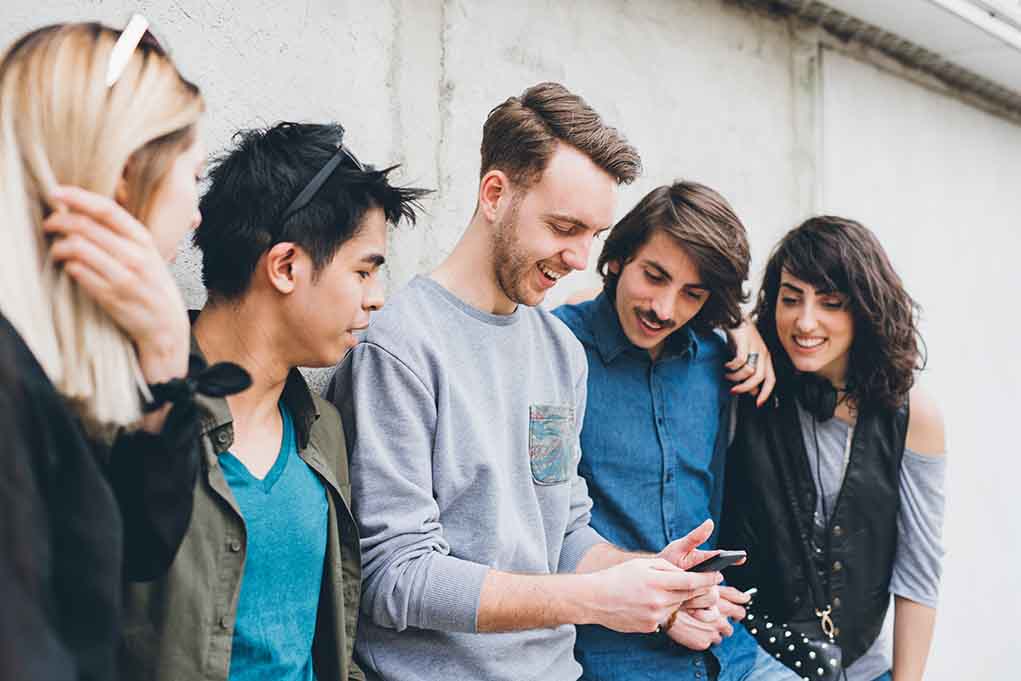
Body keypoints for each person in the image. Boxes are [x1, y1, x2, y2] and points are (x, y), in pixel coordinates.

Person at [327, 82, 725, 681]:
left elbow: (561, 531)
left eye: (593, 234)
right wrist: (591, 599)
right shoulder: (400, 346)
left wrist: (640, 577)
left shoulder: (560, 352)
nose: (580, 259)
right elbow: (393, 577)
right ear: (495, 194)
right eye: (565, 227)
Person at [118, 121, 427, 681]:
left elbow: (330, 638)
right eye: (362, 271)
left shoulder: (322, 428)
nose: (377, 298)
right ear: (285, 266)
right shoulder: (132, 412)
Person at [0, 18, 236, 681]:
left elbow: (133, 547)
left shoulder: (42, 366)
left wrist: (167, 354)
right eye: (193, 174)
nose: (197, 213)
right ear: (127, 172)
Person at [554, 181, 800, 681]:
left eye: (692, 293)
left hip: (727, 647)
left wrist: (741, 326)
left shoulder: (718, 360)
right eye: (655, 276)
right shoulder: (556, 351)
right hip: (611, 653)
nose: (664, 309)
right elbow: (541, 528)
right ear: (619, 257)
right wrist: (668, 602)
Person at [720, 216, 946, 681]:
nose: (805, 322)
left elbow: (918, 573)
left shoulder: (914, 416)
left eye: (831, 303)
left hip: (867, 669)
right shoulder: (743, 384)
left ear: (864, 310)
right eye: (790, 299)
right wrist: (733, 323)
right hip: (754, 664)